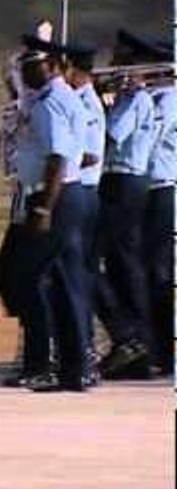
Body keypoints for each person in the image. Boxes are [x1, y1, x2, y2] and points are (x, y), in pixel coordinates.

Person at [8, 33, 89, 391]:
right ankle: (71, 367)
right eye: (24, 66)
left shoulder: (50, 102)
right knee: (60, 283)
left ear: (53, 67)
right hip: (61, 194)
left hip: (55, 196)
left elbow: (58, 157)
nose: (26, 72)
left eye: (33, 65)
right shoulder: (53, 97)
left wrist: (43, 207)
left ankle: (45, 362)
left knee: (29, 278)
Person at [95, 30, 157, 380]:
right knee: (122, 263)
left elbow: (110, 136)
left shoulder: (134, 98)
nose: (113, 65)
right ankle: (137, 347)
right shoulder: (125, 96)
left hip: (124, 181)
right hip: (124, 181)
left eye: (119, 60)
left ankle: (128, 336)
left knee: (90, 260)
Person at [61, 40, 105, 387]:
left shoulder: (84, 103)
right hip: (81, 191)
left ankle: (82, 352)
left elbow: (89, 155)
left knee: (74, 274)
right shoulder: (80, 100)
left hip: (82, 191)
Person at [144, 38, 175, 376]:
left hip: (162, 189)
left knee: (157, 271)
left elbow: (149, 138)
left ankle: (162, 349)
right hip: (150, 190)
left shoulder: (167, 99)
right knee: (148, 269)